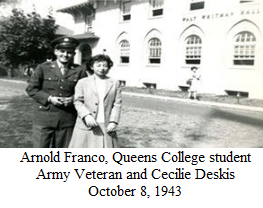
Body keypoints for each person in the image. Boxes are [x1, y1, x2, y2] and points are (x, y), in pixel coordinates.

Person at [26, 36, 87, 148]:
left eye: (69, 52)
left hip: (67, 118)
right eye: (62, 51)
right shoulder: (43, 68)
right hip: (44, 117)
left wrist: (73, 99)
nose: (65, 55)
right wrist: (50, 98)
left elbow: (86, 92)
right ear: (56, 52)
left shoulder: (79, 71)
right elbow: (31, 89)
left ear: (73, 54)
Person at [69, 54, 122, 148]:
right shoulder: (82, 82)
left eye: (105, 66)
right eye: (98, 65)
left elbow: (117, 104)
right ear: (91, 67)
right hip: (87, 125)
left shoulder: (114, 83)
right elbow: (78, 101)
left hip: (106, 125)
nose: (102, 68)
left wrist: (113, 121)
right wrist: (86, 115)